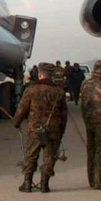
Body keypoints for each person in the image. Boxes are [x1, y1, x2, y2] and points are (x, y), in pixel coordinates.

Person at [12, 62, 68, 193]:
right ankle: (44, 184)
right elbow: (64, 115)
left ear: (40, 74)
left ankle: (27, 184)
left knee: (31, 156)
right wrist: (61, 132)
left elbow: (22, 109)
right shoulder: (59, 92)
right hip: (53, 130)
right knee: (49, 157)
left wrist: (16, 122)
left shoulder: (31, 90)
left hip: (35, 130)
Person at [79, 60, 101, 190]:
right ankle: (99, 181)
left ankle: (92, 179)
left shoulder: (86, 84)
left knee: (92, 150)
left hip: (89, 122)